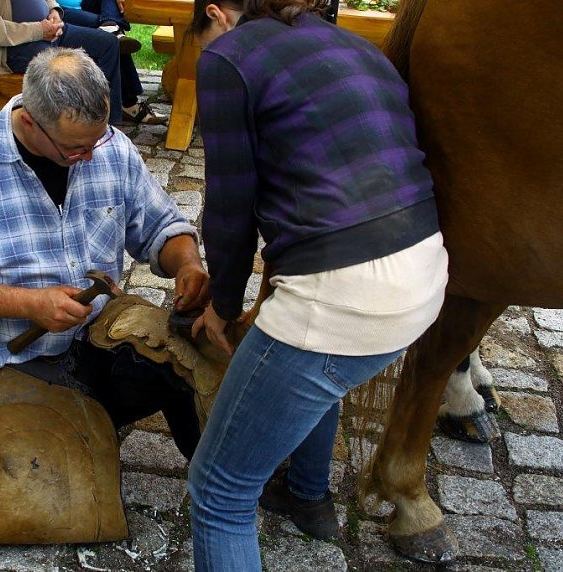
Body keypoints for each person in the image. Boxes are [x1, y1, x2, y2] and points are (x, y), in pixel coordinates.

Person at [185, 0, 450, 569]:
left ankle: (284, 500)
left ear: (218, 16)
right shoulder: (355, 44)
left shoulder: (227, 57)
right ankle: (307, 497)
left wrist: (223, 306)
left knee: (218, 492)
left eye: (204, 40)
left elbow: (231, 209)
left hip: (345, 292)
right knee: (317, 370)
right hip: (426, 273)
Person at [0, 47, 208, 463]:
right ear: (30, 122)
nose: (89, 156)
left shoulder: (110, 148)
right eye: (74, 149)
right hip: (12, 360)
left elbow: (162, 226)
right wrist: (29, 303)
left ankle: (221, 483)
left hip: (97, 342)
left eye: (97, 139)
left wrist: (188, 264)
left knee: (189, 368)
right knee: (51, 478)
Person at [0, 0, 165, 124]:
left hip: (45, 29)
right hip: (4, 48)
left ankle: (110, 125)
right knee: (60, 62)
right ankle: (72, 127)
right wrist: (39, 30)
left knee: (109, 43)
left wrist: (54, 11)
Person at [60, 0, 166, 124]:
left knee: (113, 28)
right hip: (58, 11)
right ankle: (128, 104)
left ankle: (110, 25)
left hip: (82, 4)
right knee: (113, 31)